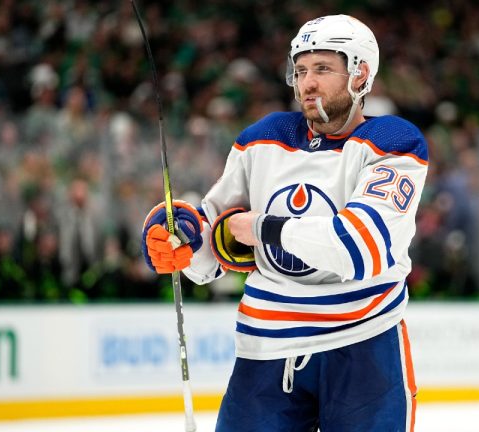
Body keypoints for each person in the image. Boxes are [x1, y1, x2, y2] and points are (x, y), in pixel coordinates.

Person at [141, 15, 428, 432]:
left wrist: (261, 228)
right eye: (301, 70)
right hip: (266, 348)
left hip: (364, 345)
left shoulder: (393, 143)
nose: (307, 82)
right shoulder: (264, 138)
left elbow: (359, 249)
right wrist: (177, 237)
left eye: (323, 69)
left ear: (361, 73)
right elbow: (210, 251)